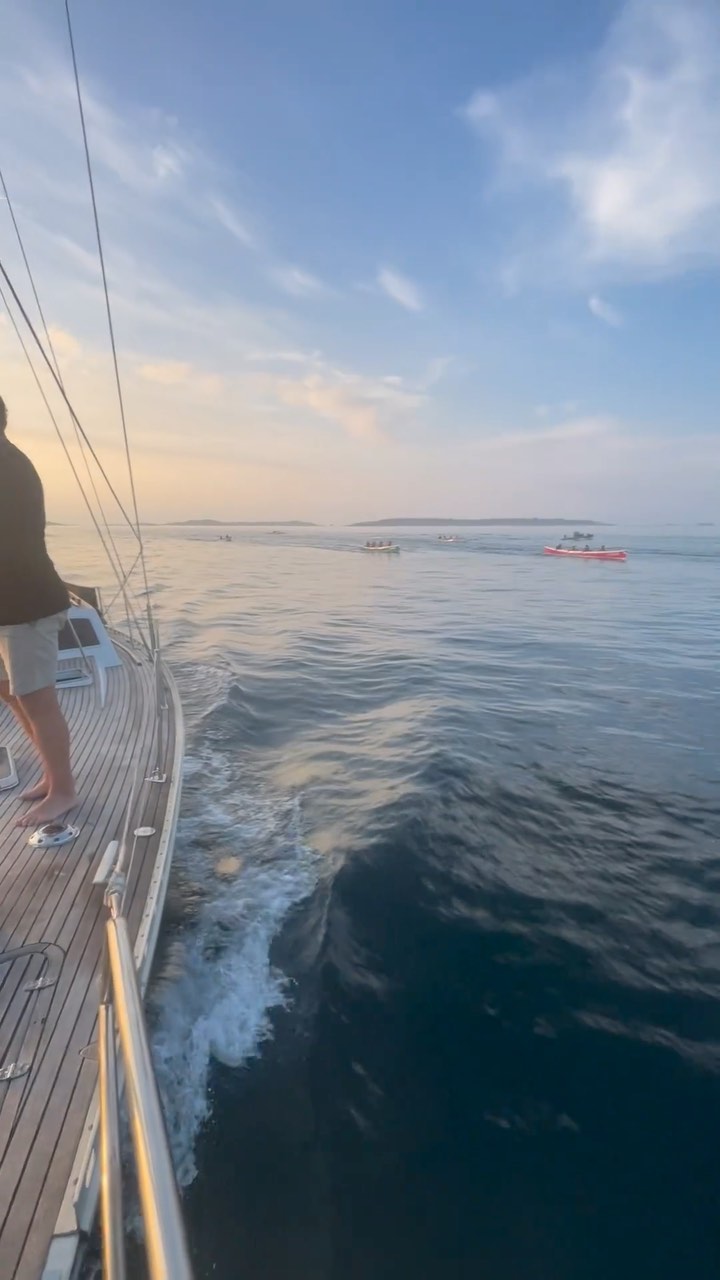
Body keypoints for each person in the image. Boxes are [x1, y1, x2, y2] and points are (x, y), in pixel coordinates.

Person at [0, 396, 77, 827]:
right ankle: (51, 775)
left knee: (37, 700)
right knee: (10, 692)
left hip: (27, 605)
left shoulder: (10, 470)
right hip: (6, 606)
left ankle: (63, 791)